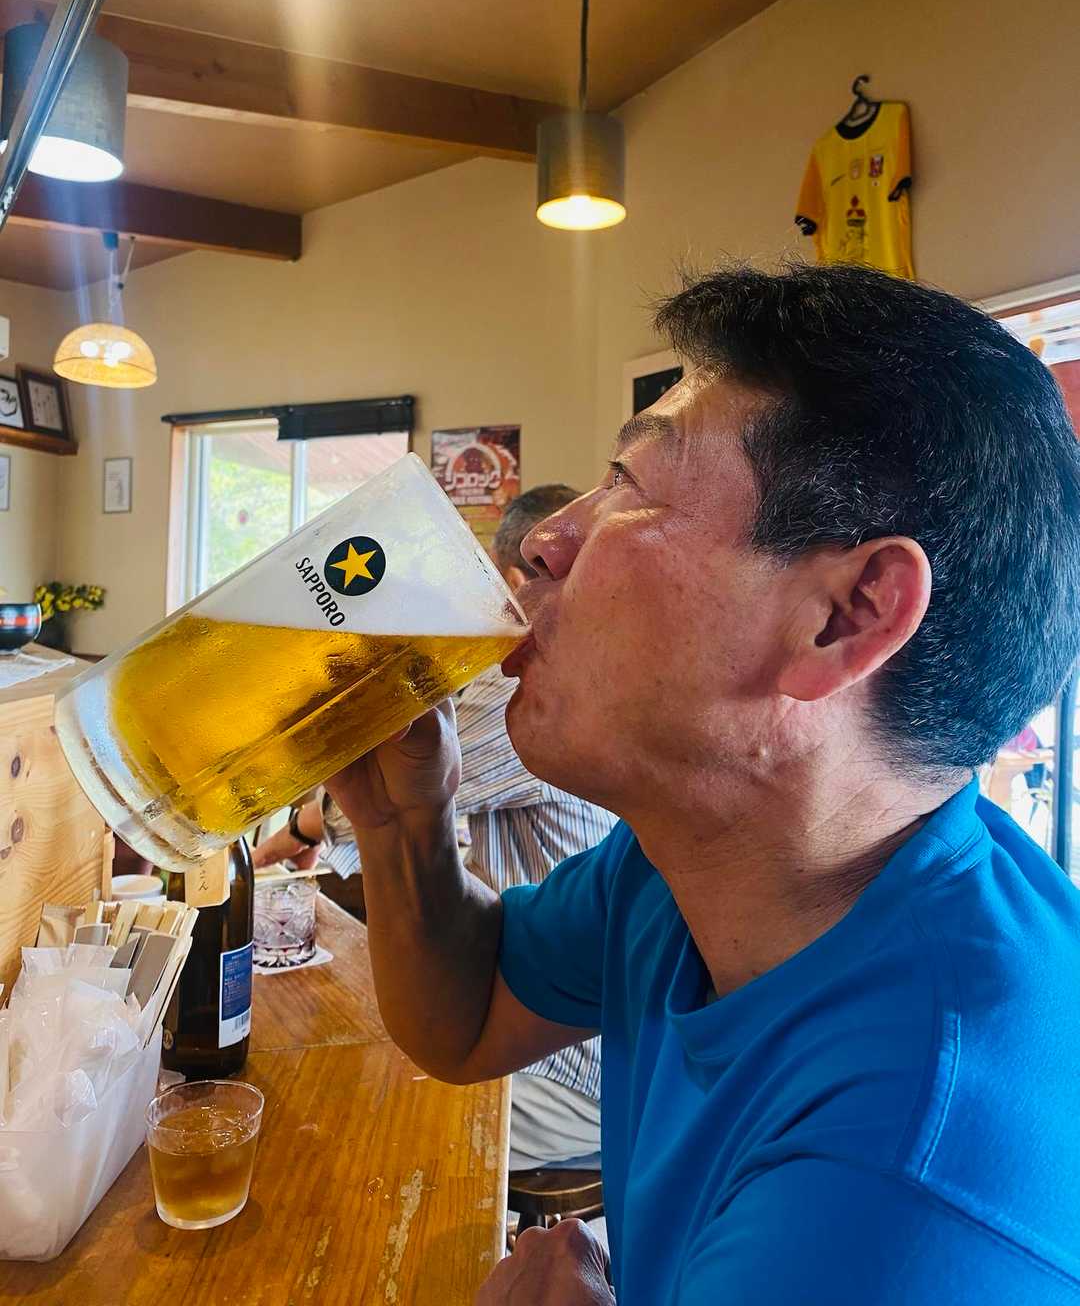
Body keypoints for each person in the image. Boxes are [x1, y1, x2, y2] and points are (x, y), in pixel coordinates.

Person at [326, 264, 1080, 1304]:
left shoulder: (900, 1203)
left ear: (847, 616)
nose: (544, 540)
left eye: (630, 484)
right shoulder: (691, 860)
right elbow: (467, 1018)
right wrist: (405, 819)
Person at [254, 485, 617, 1172]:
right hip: (539, 1020)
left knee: (330, 1128)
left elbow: (408, 775)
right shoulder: (620, 873)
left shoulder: (535, 692)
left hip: (573, 1070)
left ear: (510, 584)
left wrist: (303, 830)